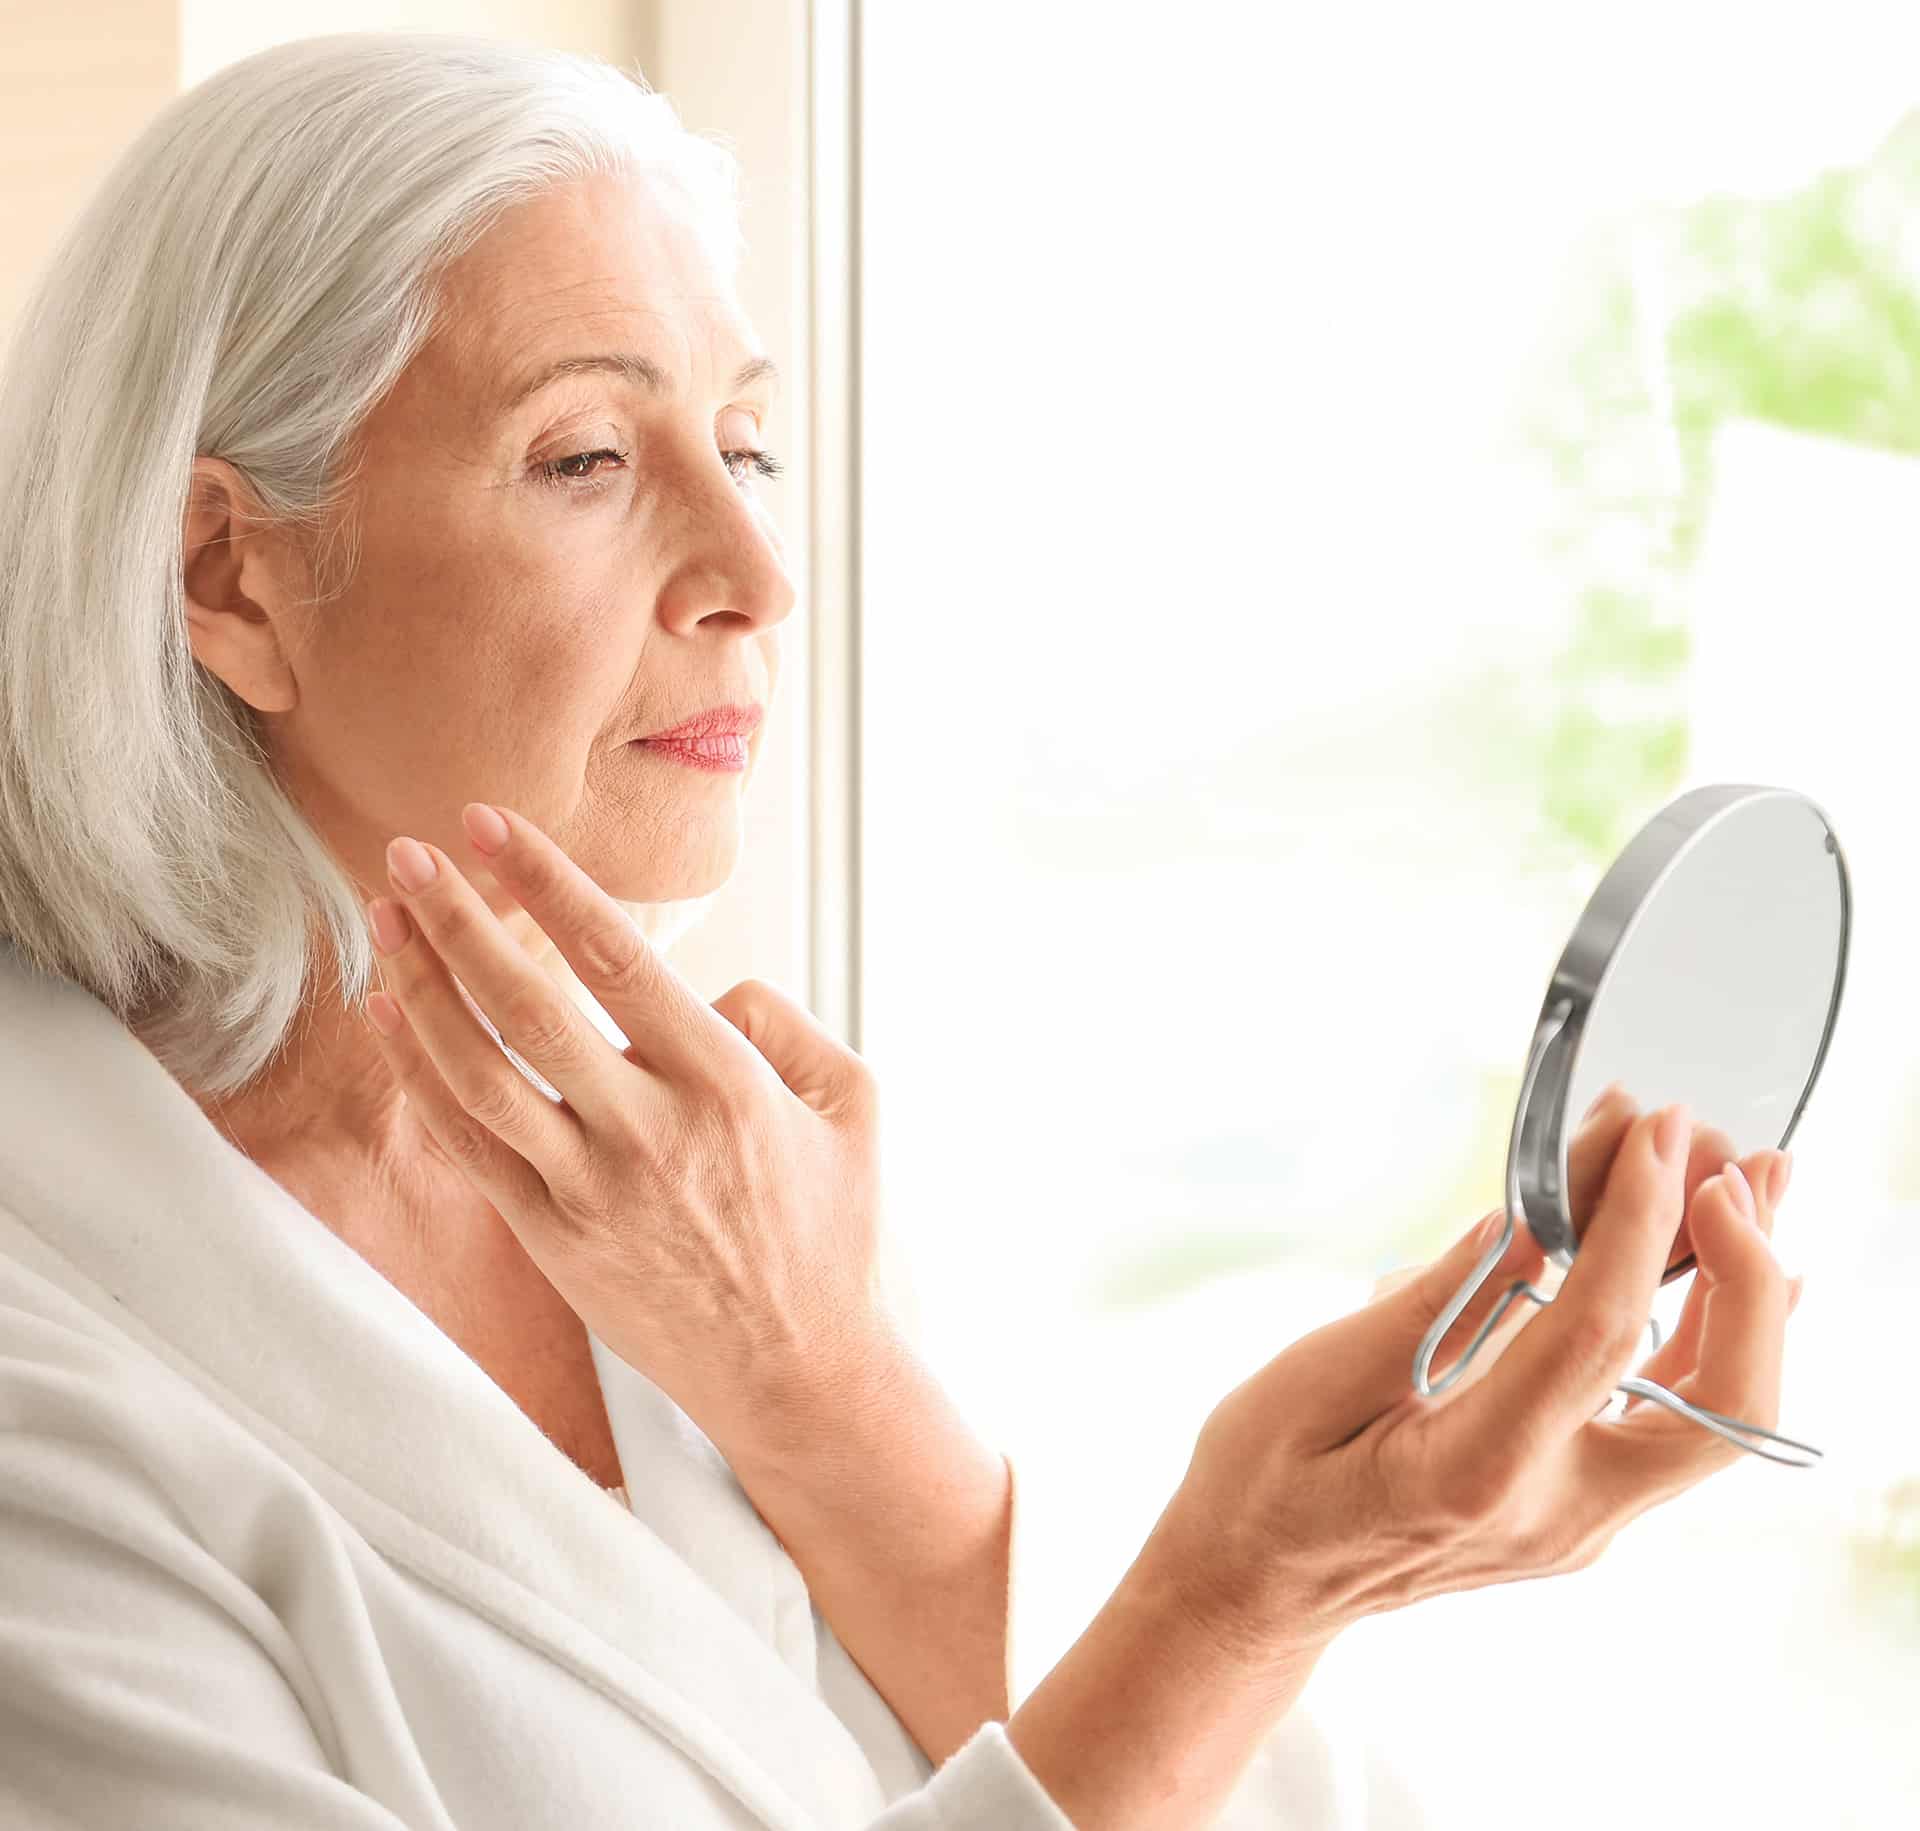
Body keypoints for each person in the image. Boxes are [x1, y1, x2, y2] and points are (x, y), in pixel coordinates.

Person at [0, 31, 1803, 1831]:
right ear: (227, 577)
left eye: (742, 443)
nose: (756, 572)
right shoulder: (49, 1406)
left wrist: (828, 1385)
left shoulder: (721, 1182)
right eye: (585, 458)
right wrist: (1253, 1587)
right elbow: (1152, 1703)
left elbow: (1174, 1779)